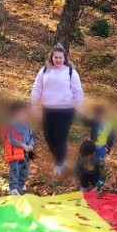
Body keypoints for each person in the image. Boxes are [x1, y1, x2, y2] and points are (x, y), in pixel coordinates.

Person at [30, 44, 84, 174]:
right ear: (51, 57)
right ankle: (60, 158)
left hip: (66, 111)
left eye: (60, 57)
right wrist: (33, 106)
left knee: (60, 137)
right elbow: (36, 88)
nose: (58, 60)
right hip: (48, 110)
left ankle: (59, 164)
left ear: (65, 58)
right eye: (56, 57)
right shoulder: (44, 71)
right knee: (49, 137)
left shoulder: (71, 72)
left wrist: (81, 107)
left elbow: (78, 91)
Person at [2, 101, 35, 195]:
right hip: (15, 152)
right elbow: (11, 139)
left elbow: (31, 137)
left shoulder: (27, 125)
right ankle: (13, 188)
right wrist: (23, 145)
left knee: (25, 170)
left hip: (26, 153)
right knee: (15, 170)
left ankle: (21, 184)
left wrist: (31, 145)